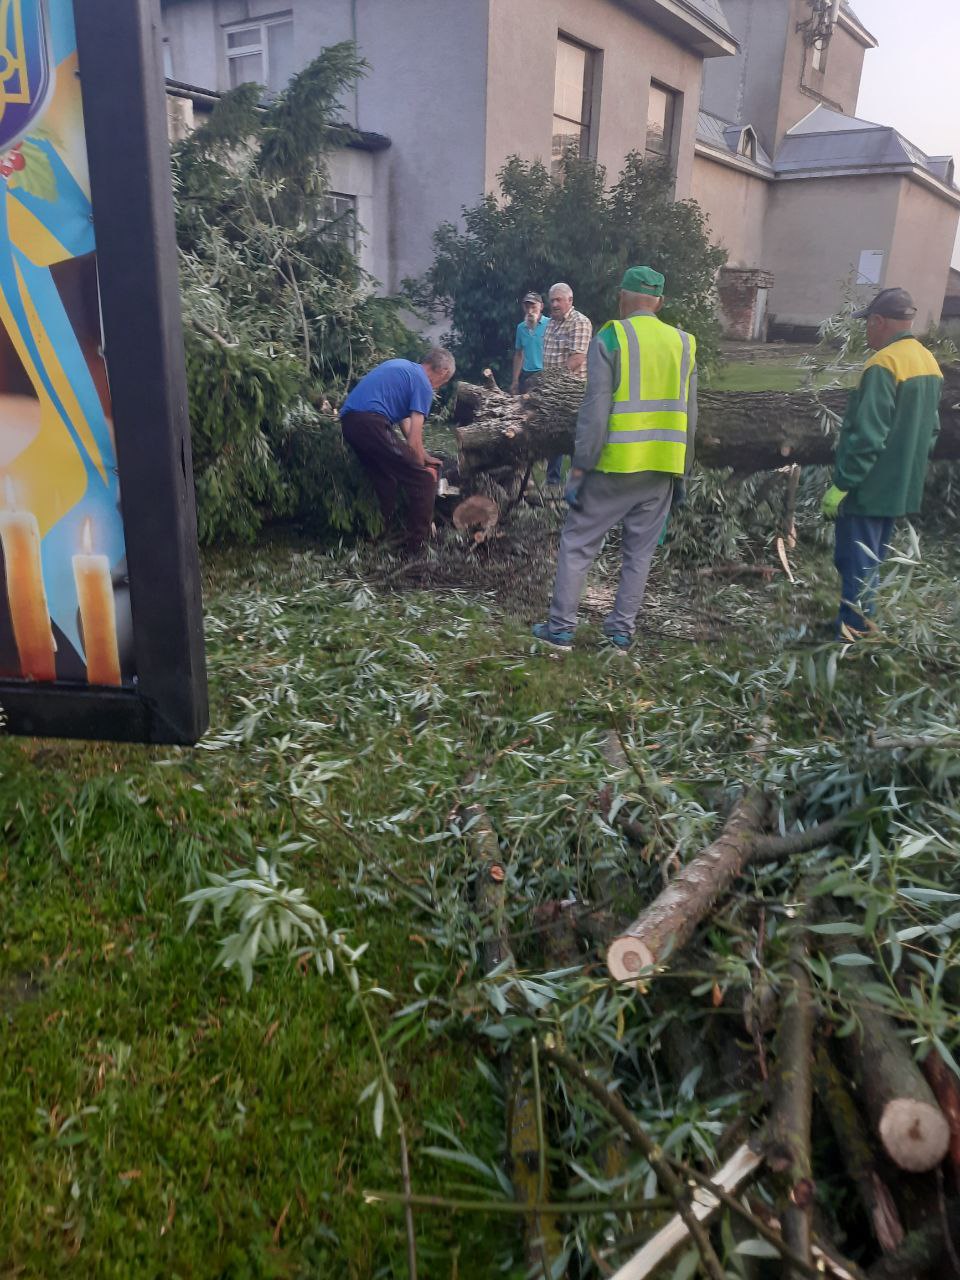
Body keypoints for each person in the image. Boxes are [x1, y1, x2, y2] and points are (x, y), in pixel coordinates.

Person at [532, 266, 697, 651]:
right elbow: (691, 417)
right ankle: (620, 634)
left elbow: (594, 413)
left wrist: (579, 469)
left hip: (613, 466)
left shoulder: (612, 336)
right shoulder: (684, 343)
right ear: (660, 302)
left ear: (622, 297)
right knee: (639, 554)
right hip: (661, 470)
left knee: (578, 544)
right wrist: (683, 475)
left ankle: (560, 630)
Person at [821, 286, 942, 637]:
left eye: (867, 324)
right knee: (871, 560)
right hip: (899, 487)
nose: (866, 332)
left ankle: (854, 635)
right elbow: (932, 430)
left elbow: (868, 436)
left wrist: (842, 484)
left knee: (855, 561)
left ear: (878, 321)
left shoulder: (883, 363)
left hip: (868, 487)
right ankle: (857, 624)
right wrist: (906, 467)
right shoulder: (928, 362)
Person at [341, 348, 456, 554]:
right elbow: (413, 440)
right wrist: (420, 466)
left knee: (386, 479)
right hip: (371, 423)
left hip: (350, 424)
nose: (440, 386)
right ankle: (417, 548)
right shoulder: (423, 384)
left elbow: (406, 425)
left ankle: (380, 536)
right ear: (443, 371)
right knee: (424, 479)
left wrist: (423, 455)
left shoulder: (405, 369)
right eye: (444, 382)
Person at [541, 282, 592, 487]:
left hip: (573, 393)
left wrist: (554, 382)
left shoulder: (579, 322)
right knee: (554, 435)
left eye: (558, 300)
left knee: (574, 438)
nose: (554, 304)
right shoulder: (551, 323)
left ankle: (578, 484)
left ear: (570, 300)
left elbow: (577, 359)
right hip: (553, 392)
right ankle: (552, 482)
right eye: (552, 300)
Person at [510, 291, 549, 395]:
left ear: (541, 306)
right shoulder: (521, 328)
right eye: (527, 307)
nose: (530, 311)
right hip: (526, 376)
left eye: (533, 307)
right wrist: (515, 380)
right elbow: (519, 354)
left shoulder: (550, 324)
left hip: (545, 375)